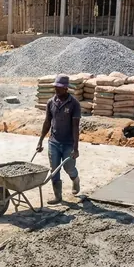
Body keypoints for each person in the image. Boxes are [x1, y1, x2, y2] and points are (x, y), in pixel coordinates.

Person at [36, 74, 81, 204]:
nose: (56, 89)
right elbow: (47, 122)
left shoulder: (74, 104)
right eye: (55, 86)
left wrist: (75, 148)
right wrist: (40, 141)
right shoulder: (51, 102)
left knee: (69, 168)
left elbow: (75, 127)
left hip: (68, 143)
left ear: (66, 88)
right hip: (54, 142)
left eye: (59, 87)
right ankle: (58, 196)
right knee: (54, 169)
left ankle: (75, 180)